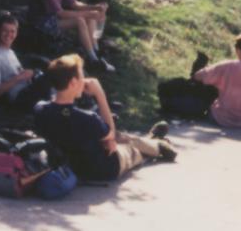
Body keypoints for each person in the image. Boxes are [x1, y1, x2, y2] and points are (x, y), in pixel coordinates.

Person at [33, 54, 176, 182]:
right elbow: (111, 135)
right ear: (72, 83)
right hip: (103, 169)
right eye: (81, 77)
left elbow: (63, 113)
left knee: (116, 137)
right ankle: (157, 145)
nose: (84, 81)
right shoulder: (88, 118)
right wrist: (99, 94)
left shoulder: (40, 108)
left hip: (70, 166)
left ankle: (151, 138)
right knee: (133, 149)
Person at [29, 0, 115, 73]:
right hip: (41, 21)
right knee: (80, 20)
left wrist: (95, 7)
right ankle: (93, 60)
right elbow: (61, 13)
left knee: (91, 17)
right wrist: (88, 13)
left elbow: (74, 4)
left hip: (53, 18)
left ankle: (96, 52)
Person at [0, 13, 52, 110]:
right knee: (53, 76)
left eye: (12, 31)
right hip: (20, 97)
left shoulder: (9, 52)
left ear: (16, 33)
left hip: (28, 90)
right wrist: (19, 77)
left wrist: (30, 74)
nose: (9, 35)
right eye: (5, 31)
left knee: (54, 70)